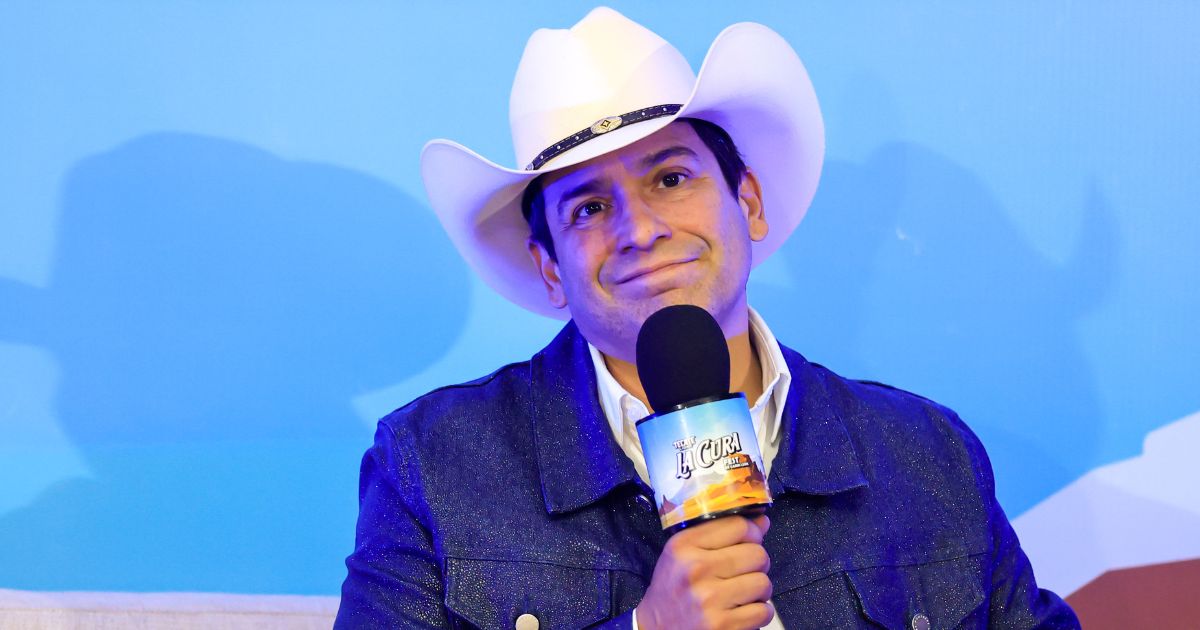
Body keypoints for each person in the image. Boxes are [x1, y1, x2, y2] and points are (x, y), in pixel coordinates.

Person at [335, 7, 1079, 629]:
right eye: (588, 207)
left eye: (671, 178)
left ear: (747, 201)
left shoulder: (926, 453)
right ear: (551, 266)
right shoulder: (433, 462)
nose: (639, 229)